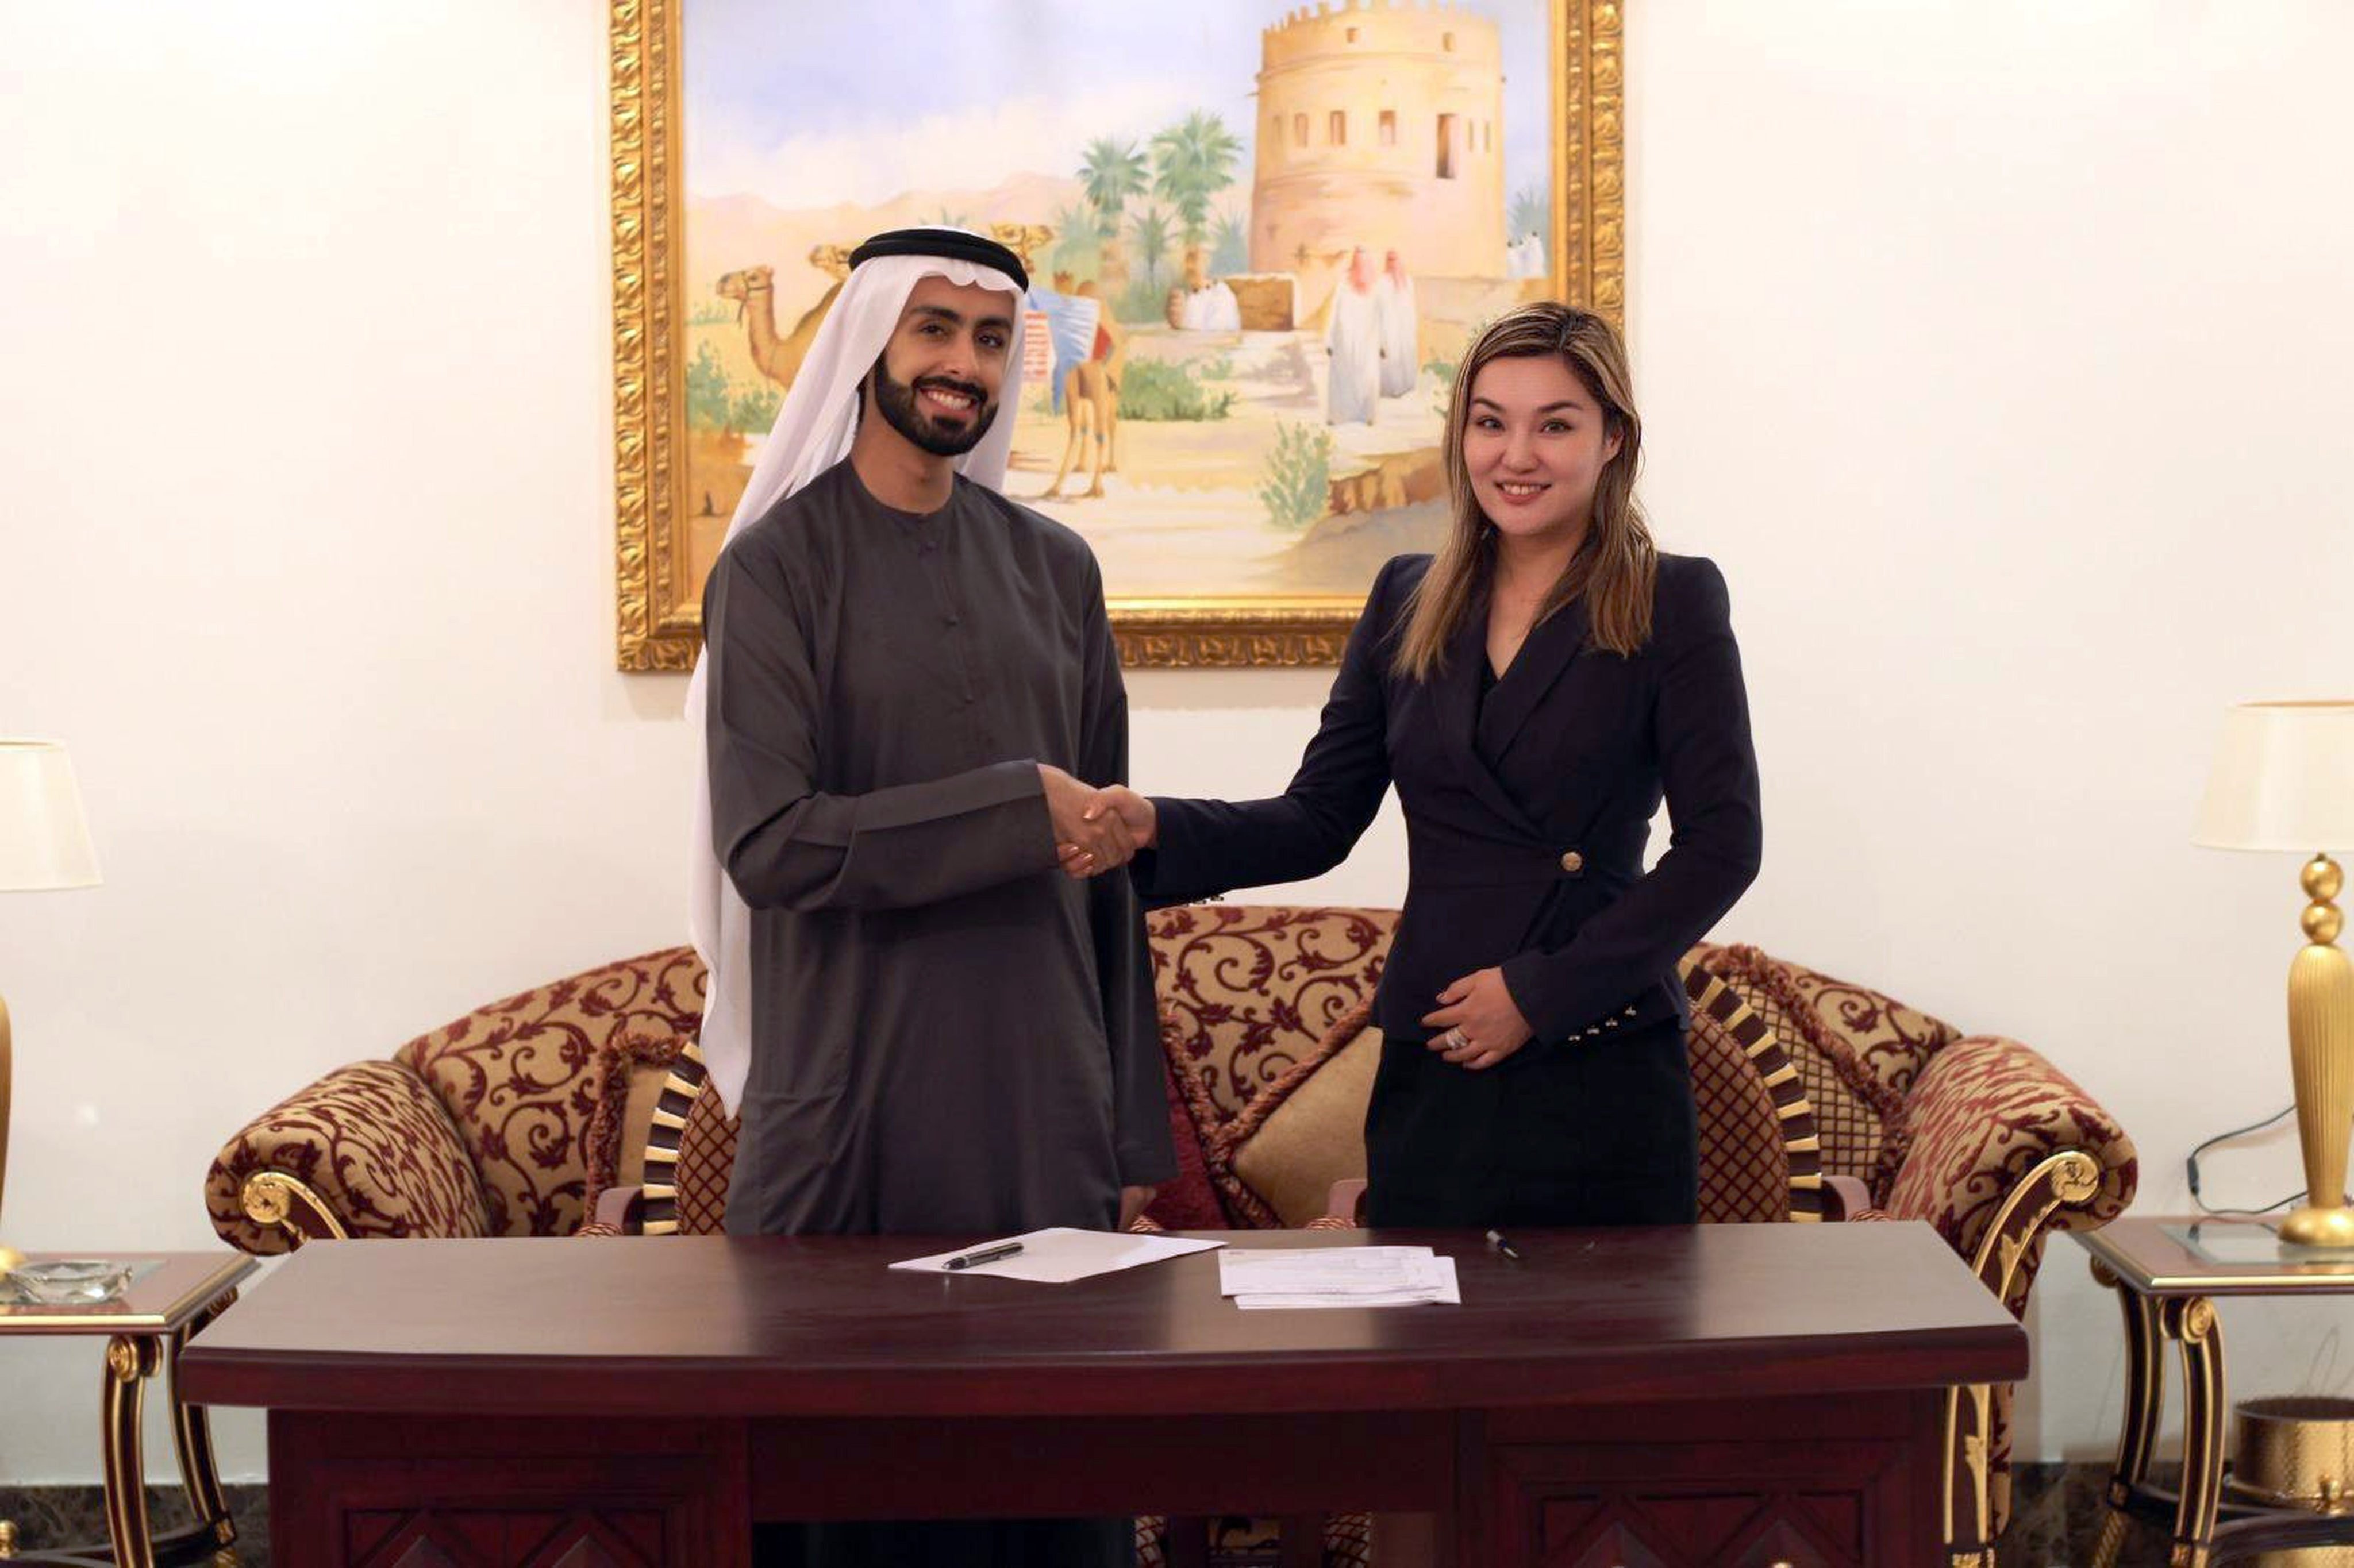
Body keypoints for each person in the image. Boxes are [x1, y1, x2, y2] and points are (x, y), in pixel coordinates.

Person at [690, 226, 1174, 1568]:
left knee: (1050, 1485)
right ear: (869, 349)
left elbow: (1106, 887)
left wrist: (1131, 1134)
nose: (963, 364)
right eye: (935, 331)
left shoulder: (1057, 570)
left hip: (1038, 1110)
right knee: (846, 1490)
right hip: (851, 1109)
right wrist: (1015, 803)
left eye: (989, 339)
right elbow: (774, 844)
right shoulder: (776, 570)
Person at [1086, 301, 1760, 1230]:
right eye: (1490, 422)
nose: (1515, 454)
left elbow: (1723, 846)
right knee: (1433, 1369)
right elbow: (1320, 815)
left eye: (1554, 424)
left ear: (1613, 439)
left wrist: (1538, 992)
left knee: (1597, 1372)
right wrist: (1153, 824)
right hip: (1434, 1054)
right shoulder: (1407, 596)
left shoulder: (1672, 598)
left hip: (1599, 1061)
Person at [1324, 246, 1381, 425]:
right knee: (1342, 381)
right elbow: (1333, 315)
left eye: (1364, 264)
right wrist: (1329, 340)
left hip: (1367, 346)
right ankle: (1339, 416)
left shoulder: (1375, 291)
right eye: (1357, 264)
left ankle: (1367, 416)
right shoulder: (1343, 288)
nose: (1361, 268)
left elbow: (1381, 320)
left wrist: (1382, 345)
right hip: (1344, 345)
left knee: (1367, 380)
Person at [1374, 248, 1418, 399]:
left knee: (1405, 356)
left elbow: (1410, 306)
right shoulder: (1381, 282)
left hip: (1405, 328)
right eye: (1390, 260)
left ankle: (1406, 388)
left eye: (1395, 260)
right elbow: (1379, 309)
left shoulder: (1408, 281)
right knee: (1390, 359)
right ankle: (1391, 391)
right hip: (1388, 328)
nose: (1392, 263)